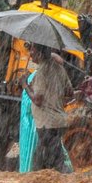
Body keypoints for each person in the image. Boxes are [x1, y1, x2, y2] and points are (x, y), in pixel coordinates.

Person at [21, 43, 73, 172]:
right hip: (58, 121)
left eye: (32, 50)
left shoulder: (42, 71)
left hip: (47, 123)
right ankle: (39, 178)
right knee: (44, 156)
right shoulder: (60, 69)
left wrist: (25, 85)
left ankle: (66, 180)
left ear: (39, 52)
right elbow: (70, 93)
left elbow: (37, 100)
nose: (30, 53)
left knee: (54, 159)